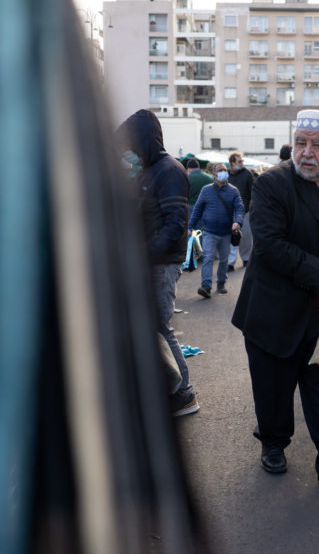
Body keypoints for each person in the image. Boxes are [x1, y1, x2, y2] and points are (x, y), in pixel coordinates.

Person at [231, 109, 319, 484]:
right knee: (273, 384)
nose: (306, 152)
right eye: (300, 143)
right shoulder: (272, 184)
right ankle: (273, 445)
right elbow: (269, 245)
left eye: (317, 145)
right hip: (275, 308)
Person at [115, 109, 199, 416]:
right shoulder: (147, 171)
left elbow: (175, 225)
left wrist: (143, 253)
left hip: (162, 262)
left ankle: (184, 393)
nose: (131, 152)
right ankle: (169, 389)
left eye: (133, 144)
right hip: (149, 261)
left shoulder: (169, 170)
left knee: (160, 325)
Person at [189, 162, 244, 298]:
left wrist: (238, 221)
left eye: (225, 170)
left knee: (224, 260)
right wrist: (190, 226)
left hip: (226, 232)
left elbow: (239, 208)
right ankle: (206, 286)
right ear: (214, 174)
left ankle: (221, 283)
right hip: (209, 231)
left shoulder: (233, 191)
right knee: (208, 257)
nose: (223, 172)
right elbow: (197, 209)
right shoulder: (206, 190)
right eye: (220, 170)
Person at [227, 151, 255, 271]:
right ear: (232, 163)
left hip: (245, 212)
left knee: (246, 237)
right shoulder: (226, 174)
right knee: (230, 238)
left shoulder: (247, 174)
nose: (242, 163)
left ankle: (245, 258)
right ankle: (230, 263)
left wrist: (251, 208)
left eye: (242, 161)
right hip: (229, 212)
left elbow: (252, 193)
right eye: (239, 161)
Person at [186, 157, 213, 221]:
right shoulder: (210, 178)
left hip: (191, 211)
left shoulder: (187, 178)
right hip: (207, 210)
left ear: (189, 169)